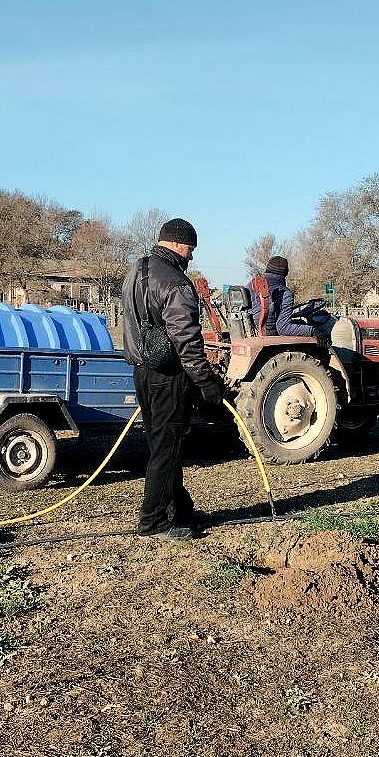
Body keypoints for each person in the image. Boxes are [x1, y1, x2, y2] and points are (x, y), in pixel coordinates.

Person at [122, 218, 225, 540]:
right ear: (179, 244)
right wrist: (206, 381)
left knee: (162, 444)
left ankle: (178, 510)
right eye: (190, 249)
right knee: (167, 448)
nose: (191, 256)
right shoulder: (177, 283)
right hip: (168, 376)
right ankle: (153, 521)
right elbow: (187, 341)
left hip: (142, 371)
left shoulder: (136, 271)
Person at [248, 256, 328, 337]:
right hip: (270, 336)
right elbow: (283, 328)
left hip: (252, 333)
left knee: (300, 323)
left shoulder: (251, 285)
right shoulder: (285, 293)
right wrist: (313, 331)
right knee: (317, 337)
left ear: (267, 269)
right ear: (286, 273)